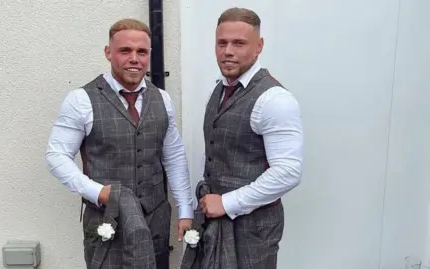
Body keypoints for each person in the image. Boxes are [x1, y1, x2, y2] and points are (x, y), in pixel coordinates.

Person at [45, 18, 193, 269]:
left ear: (149, 55)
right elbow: (56, 155)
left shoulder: (163, 99)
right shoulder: (81, 100)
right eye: (125, 51)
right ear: (108, 53)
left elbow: (174, 156)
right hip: (107, 220)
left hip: (154, 220)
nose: (134, 59)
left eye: (142, 52)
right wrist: (96, 192)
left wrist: (186, 210)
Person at [187, 7, 304, 269]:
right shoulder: (219, 88)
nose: (228, 51)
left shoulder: (275, 100)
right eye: (222, 43)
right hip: (215, 221)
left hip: (254, 230)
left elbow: (288, 172)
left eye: (239, 43)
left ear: (259, 46)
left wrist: (227, 203)